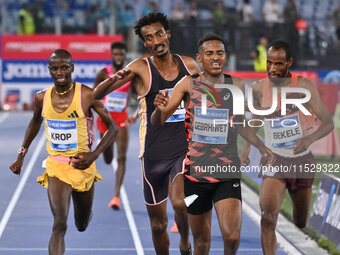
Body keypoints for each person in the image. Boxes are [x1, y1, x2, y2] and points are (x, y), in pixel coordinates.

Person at [151, 34, 275, 255]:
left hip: (226, 170)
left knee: (232, 236)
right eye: (209, 54)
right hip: (196, 174)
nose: (215, 58)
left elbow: (241, 123)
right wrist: (158, 109)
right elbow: (159, 120)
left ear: (226, 56)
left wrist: (261, 146)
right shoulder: (188, 84)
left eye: (220, 53)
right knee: (202, 242)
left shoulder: (236, 84)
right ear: (200, 58)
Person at [93, 12, 201, 255]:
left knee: (179, 203)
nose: (157, 41)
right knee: (157, 225)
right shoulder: (140, 67)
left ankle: (184, 240)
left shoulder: (190, 66)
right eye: (150, 38)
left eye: (160, 34)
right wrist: (108, 83)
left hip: (184, 149)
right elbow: (98, 93)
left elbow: (207, 100)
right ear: (145, 43)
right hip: (152, 154)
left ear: (168, 34)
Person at [9, 49, 117, 255]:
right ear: (49, 71)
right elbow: (34, 123)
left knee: (81, 224)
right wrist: (21, 156)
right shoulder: (41, 98)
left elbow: (113, 128)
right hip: (56, 166)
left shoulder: (87, 95)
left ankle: (85, 215)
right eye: (55, 68)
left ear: (72, 68)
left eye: (64, 67)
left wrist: (94, 155)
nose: (60, 72)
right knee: (59, 223)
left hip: (83, 165)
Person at [240, 40, 334, 254]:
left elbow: (327, 122)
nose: (273, 69)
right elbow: (255, 118)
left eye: (279, 64)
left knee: (300, 222)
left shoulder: (303, 87)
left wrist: (309, 140)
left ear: (289, 62)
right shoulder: (258, 89)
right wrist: (247, 148)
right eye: (269, 63)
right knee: (267, 217)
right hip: (275, 159)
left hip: (302, 162)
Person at [93, 41, 137, 210]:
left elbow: (137, 94)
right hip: (105, 120)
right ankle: (106, 146)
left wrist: (137, 112)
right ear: (111, 55)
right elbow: (93, 94)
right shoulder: (104, 73)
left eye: (121, 54)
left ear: (124, 55)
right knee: (108, 158)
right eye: (116, 54)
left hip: (121, 119)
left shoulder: (129, 74)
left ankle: (116, 196)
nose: (118, 57)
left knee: (122, 157)